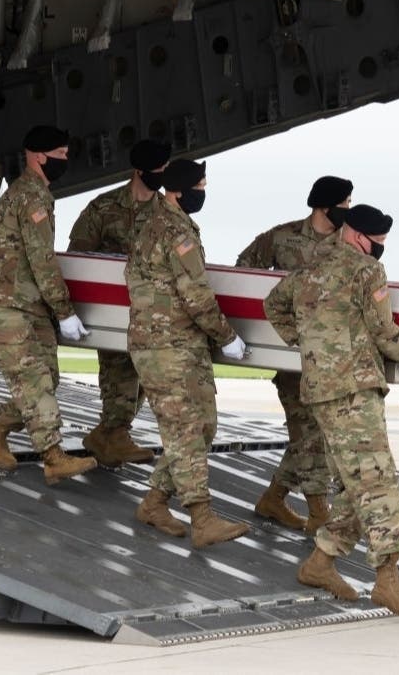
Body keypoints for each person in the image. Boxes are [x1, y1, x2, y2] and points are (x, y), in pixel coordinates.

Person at [264, 204, 399, 615]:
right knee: (378, 482)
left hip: (321, 389)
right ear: (356, 236)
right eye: (377, 242)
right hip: (353, 389)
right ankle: (387, 580)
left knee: (357, 483)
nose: (379, 249)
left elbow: (273, 305)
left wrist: (310, 343)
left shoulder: (308, 269)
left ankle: (320, 562)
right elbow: (383, 331)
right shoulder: (366, 271)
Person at [127, 158, 249, 549]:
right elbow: (196, 295)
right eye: (200, 187)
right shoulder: (176, 232)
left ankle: (154, 502)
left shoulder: (155, 224)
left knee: (204, 425)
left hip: (177, 345)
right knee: (186, 430)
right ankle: (202, 517)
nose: (203, 193)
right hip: (167, 347)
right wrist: (227, 337)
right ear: (179, 190)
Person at [0, 125, 97, 485]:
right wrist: (65, 312)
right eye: (61, 155)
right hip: (3, 302)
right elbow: (43, 261)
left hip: (27, 301)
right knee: (35, 380)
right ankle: (53, 457)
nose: (66, 160)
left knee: (47, 379)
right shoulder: (31, 197)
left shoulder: (35, 193)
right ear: (39, 156)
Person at [235, 175, 352, 533]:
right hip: (291, 357)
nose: (348, 210)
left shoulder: (349, 244)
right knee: (309, 434)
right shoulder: (281, 238)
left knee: (314, 434)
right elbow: (243, 271)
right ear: (324, 206)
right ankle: (319, 512)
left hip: (329, 357)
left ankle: (274, 498)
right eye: (344, 204)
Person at [67, 139, 171, 468]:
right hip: (110, 310)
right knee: (120, 371)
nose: (162, 174)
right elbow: (77, 257)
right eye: (158, 169)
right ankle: (116, 435)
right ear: (139, 170)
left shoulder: (168, 213)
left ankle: (107, 435)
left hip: (151, 312)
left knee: (146, 375)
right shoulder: (103, 208)